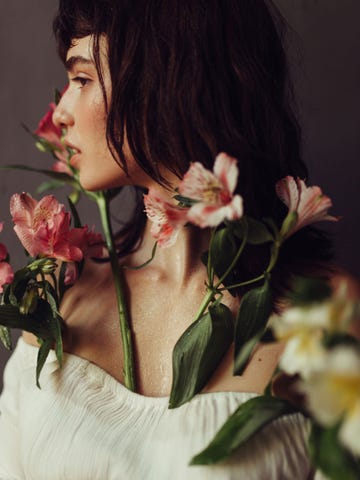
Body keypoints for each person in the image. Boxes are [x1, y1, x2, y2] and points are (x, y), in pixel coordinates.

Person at [0, 0, 342, 478]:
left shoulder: (325, 317)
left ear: (165, 82)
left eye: (82, 79)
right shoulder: (61, 295)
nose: (60, 113)